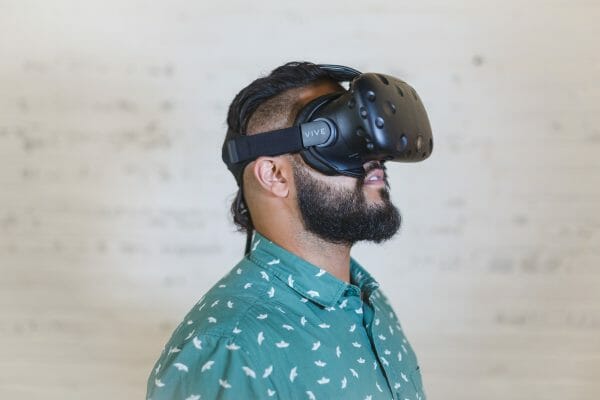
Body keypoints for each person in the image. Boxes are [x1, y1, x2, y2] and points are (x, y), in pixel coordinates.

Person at [146, 61, 427, 400]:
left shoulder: (367, 302)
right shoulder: (230, 349)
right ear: (274, 176)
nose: (373, 159)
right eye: (344, 137)